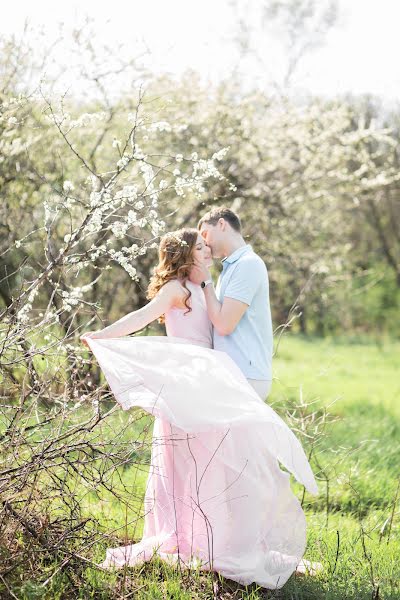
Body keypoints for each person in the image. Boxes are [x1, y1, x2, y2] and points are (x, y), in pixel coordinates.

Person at [81, 227, 320, 588]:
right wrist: (101, 336)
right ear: (186, 255)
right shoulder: (175, 290)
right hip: (185, 384)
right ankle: (185, 535)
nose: (208, 253)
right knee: (185, 460)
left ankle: (219, 537)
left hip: (211, 379)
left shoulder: (207, 288)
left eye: (208, 248)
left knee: (220, 460)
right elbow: (141, 318)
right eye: (201, 248)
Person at [191, 206, 273, 400]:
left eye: (205, 235)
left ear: (221, 224)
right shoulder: (232, 267)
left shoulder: (248, 264)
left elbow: (224, 325)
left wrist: (206, 282)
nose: (206, 244)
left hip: (246, 375)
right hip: (235, 374)